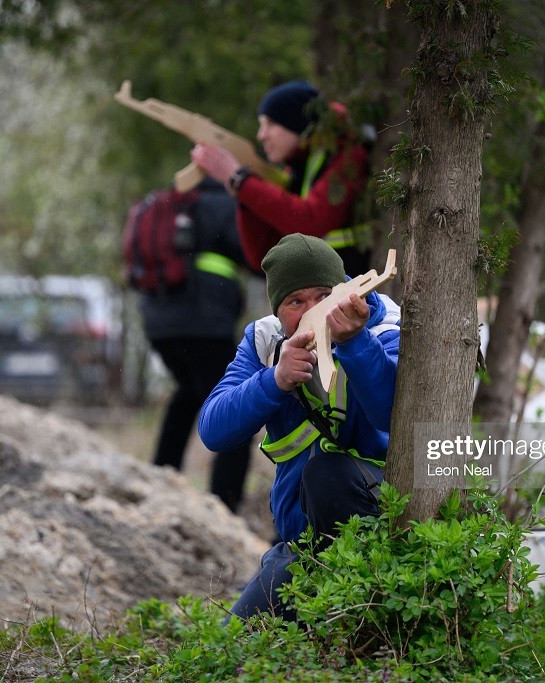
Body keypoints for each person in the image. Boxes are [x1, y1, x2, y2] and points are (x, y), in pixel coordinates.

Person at [198, 234, 400, 620]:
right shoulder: (265, 340)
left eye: (324, 295)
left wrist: (355, 344)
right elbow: (213, 429)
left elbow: (391, 414)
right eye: (296, 302)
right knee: (231, 646)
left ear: (343, 288)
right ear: (279, 312)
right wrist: (274, 379)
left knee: (326, 473)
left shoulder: (383, 326)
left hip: (378, 530)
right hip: (301, 545)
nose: (314, 310)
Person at [140, 177, 252, 513]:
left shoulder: (174, 203)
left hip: (158, 324)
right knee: (236, 411)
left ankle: (160, 480)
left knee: (188, 392)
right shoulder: (225, 204)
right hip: (205, 324)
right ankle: (224, 506)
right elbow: (255, 254)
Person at [189, 80, 373, 277]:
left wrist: (241, 181)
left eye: (271, 124)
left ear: (297, 123)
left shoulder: (349, 156)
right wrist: (244, 193)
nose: (262, 135)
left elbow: (310, 221)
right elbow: (263, 254)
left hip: (354, 288)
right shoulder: (298, 167)